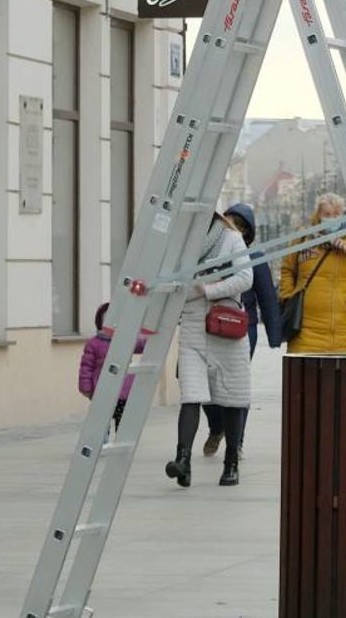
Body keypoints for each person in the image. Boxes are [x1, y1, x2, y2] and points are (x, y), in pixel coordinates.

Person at [165, 209, 252, 490]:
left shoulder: (231, 239)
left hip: (226, 325)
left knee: (231, 397)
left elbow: (245, 279)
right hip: (192, 326)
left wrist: (207, 289)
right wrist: (198, 289)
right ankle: (182, 461)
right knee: (190, 395)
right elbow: (173, 285)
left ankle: (231, 463)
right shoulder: (180, 243)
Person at [200, 201, 279, 465]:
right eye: (230, 221)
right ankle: (217, 427)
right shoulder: (210, 251)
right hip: (207, 323)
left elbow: (267, 297)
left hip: (243, 327)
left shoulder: (255, 258)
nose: (235, 228)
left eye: (241, 225)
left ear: (248, 232)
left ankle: (237, 441)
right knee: (199, 383)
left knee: (236, 386)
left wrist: (275, 333)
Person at [279, 193, 346, 355]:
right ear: (318, 215)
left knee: (341, 379)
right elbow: (287, 269)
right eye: (327, 214)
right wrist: (289, 296)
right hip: (304, 330)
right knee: (306, 378)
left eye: (337, 214)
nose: (332, 219)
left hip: (343, 331)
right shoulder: (303, 239)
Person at [78, 303, 148, 431]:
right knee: (100, 422)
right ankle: (100, 443)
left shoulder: (126, 340)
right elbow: (86, 367)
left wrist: (149, 334)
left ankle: (120, 442)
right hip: (102, 390)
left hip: (124, 391)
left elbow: (142, 345)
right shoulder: (94, 343)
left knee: (123, 423)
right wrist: (86, 388)